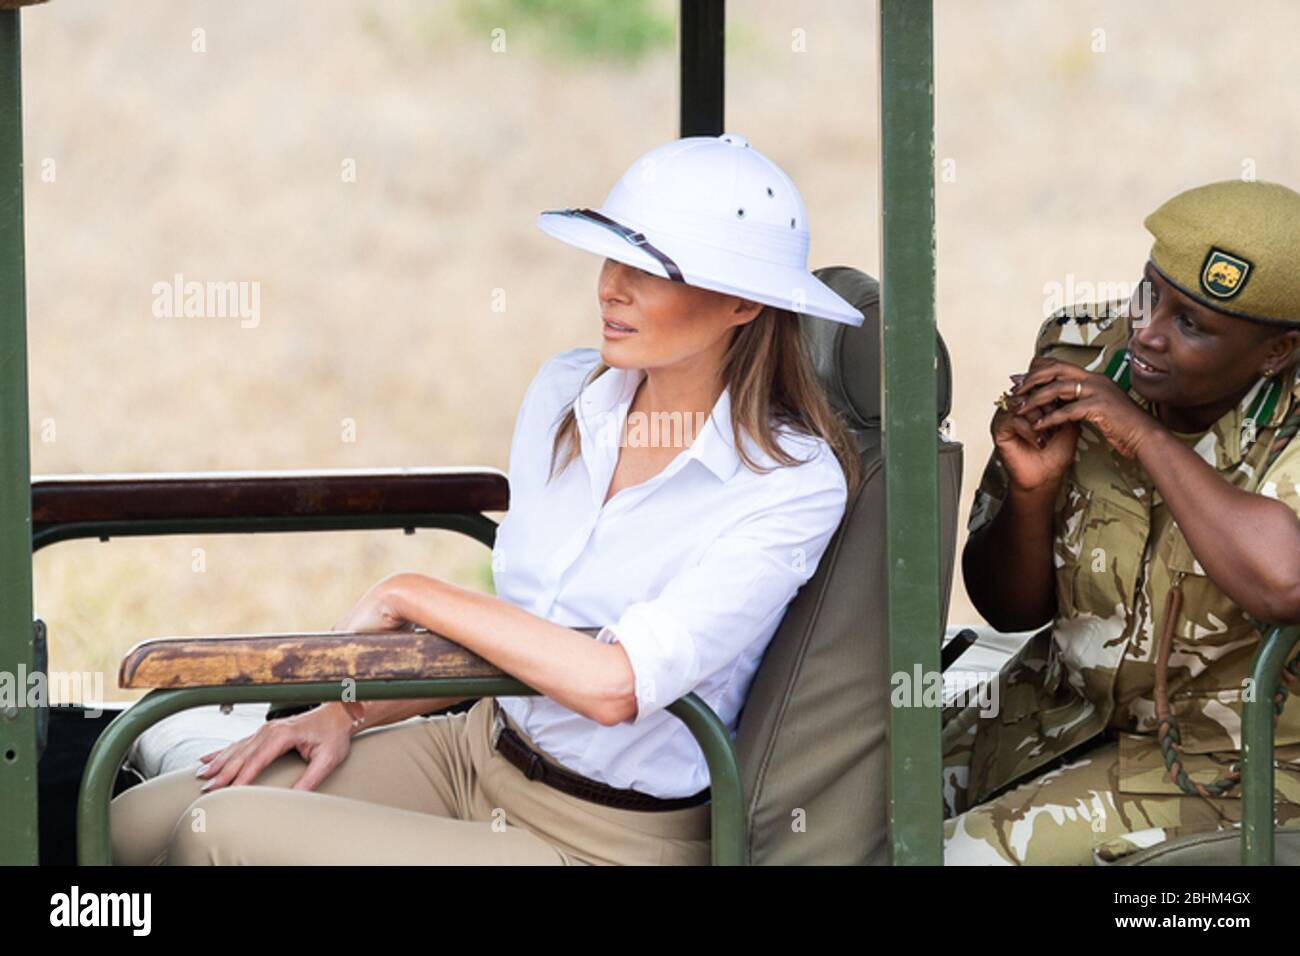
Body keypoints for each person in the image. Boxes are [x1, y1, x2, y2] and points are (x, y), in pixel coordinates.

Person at [108, 133, 862, 866]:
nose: (610, 286)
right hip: (476, 750)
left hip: (606, 837)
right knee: (129, 825)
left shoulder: (792, 484)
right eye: (611, 255)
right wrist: (344, 710)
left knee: (215, 834)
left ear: (741, 305)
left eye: (651, 268)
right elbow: (522, 640)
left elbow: (614, 685)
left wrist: (411, 592)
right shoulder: (566, 394)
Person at [944, 179, 1300, 865]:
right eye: (1148, 293)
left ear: (1276, 352)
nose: (1146, 330)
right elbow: (1007, 608)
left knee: (950, 860)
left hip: (1227, 764)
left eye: (1191, 324)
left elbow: (1283, 583)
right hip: (1050, 710)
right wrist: (1030, 496)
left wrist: (1140, 435)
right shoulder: (1081, 350)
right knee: (853, 813)